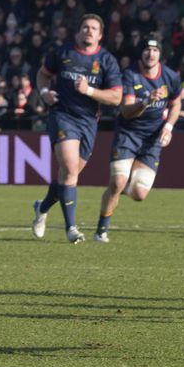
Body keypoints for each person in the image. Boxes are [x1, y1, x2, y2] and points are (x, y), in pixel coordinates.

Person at [31, 14, 121, 244]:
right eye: (85, 27)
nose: (89, 31)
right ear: (78, 32)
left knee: (68, 175)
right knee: (70, 168)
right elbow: (42, 75)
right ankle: (71, 227)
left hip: (89, 122)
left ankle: (42, 208)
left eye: (93, 28)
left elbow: (116, 97)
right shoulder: (62, 53)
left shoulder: (106, 60)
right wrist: (44, 93)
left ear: (100, 35)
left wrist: (89, 91)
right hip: (62, 115)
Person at [94, 40, 181, 242]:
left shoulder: (170, 77)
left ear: (161, 54)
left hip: (152, 140)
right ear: (140, 53)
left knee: (139, 194)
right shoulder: (130, 75)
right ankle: (101, 231)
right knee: (116, 182)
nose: (150, 54)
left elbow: (176, 103)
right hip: (128, 134)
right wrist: (147, 101)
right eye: (147, 50)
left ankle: (122, 186)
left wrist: (168, 127)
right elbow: (126, 111)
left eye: (155, 50)